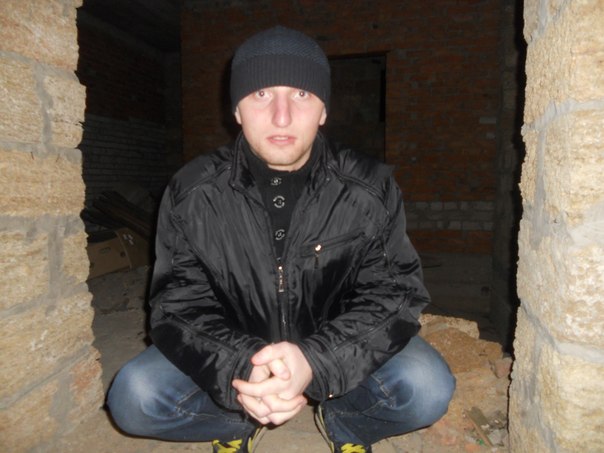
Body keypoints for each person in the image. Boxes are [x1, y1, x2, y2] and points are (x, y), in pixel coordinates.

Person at [107, 25, 455, 453]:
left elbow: (395, 294)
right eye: (261, 94)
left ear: (323, 110)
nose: (282, 117)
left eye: (302, 94)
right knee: (135, 397)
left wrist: (316, 360)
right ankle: (240, 421)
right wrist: (242, 366)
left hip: (336, 342)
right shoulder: (192, 192)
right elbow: (176, 305)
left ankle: (343, 420)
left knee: (426, 387)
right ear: (237, 110)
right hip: (234, 345)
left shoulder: (369, 188)